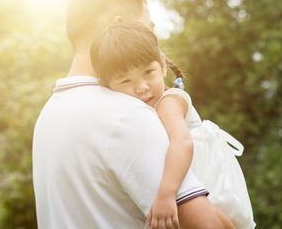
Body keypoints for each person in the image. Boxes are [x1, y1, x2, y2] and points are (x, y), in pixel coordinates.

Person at [32, 0, 234, 229]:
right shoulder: (126, 114)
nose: (154, 41)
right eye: (149, 27)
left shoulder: (50, 115)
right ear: (120, 24)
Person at [90, 22, 256, 229]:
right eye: (125, 81)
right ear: (107, 87)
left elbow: (182, 142)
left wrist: (165, 195)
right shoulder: (137, 113)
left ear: (162, 65)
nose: (141, 87)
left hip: (212, 189)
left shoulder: (169, 101)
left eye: (148, 72)